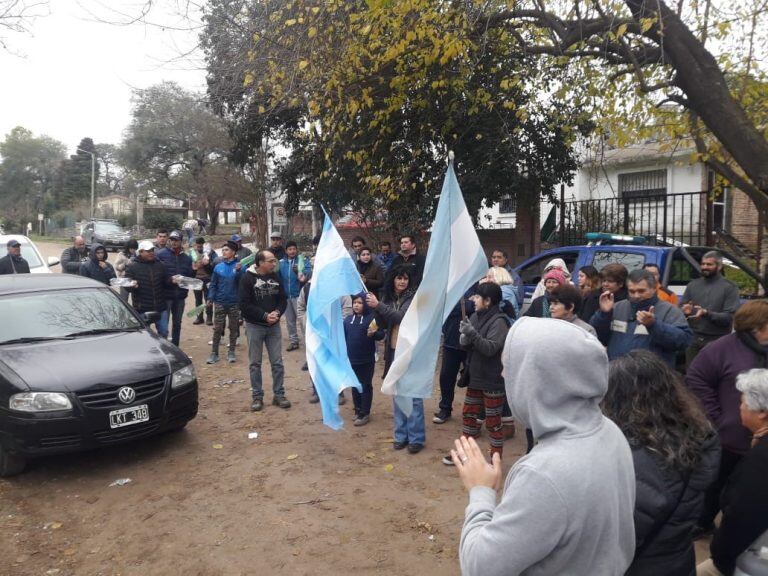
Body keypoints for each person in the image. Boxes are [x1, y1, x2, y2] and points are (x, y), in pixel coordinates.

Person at [452, 317, 636, 575]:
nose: (503, 374)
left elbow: (480, 567)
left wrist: (481, 492)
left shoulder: (544, 473)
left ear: (537, 377)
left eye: (509, 366)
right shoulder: (609, 431)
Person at [604, 350, 719, 576]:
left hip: (642, 567)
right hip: (678, 558)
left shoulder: (643, 459)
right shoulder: (698, 435)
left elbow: (626, 536)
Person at [685, 300, 768, 537]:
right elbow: (697, 379)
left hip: (763, 442)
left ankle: (741, 531)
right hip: (729, 439)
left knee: (752, 492)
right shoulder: (721, 349)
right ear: (757, 327)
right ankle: (703, 522)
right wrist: (718, 417)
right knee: (716, 486)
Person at [697, 369, 768, 576]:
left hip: (748, 562)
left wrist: (721, 557)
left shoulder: (762, 460)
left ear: (762, 412)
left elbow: (741, 515)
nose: (740, 408)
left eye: (742, 403)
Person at [443, 282, 510, 464]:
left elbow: (490, 349)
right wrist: (464, 337)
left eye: (477, 297)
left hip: (493, 380)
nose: (473, 299)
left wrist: (471, 334)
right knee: (468, 417)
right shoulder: (474, 316)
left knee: (493, 423)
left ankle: (494, 460)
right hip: (475, 377)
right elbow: (466, 345)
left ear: (488, 301)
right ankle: (464, 455)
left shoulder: (500, 321)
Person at [366, 267, 424, 453]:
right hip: (393, 351)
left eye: (405, 278)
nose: (402, 282)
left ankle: (416, 438)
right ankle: (401, 436)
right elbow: (384, 321)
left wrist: (379, 306)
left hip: (410, 351)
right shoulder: (388, 298)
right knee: (397, 393)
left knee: (413, 395)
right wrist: (375, 318)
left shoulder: (413, 298)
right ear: (393, 280)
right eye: (399, 278)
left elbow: (400, 317)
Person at [591, 268, 692, 366]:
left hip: (652, 378)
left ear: (653, 288)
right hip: (618, 374)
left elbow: (683, 341)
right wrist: (604, 315)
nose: (636, 296)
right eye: (632, 291)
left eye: (641, 291)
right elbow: (596, 337)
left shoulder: (669, 311)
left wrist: (654, 325)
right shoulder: (617, 307)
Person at [239, 250, 290, 412]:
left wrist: (277, 312)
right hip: (255, 326)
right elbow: (244, 305)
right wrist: (264, 316)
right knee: (255, 363)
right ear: (260, 263)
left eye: (274, 261)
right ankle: (257, 396)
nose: (274, 264)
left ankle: (279, 394)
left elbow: (283, 299)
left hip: (273, 326)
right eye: (271, 261)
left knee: (277, 362)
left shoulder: (275, 276)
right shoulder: (247, 278)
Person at [297, 277, 352, 404]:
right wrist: (308, 325)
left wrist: (336, 326)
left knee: (334, 362)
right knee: (315, 362)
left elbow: (347, 308)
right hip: (314, 334)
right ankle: (317, 391)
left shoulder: (339, 287)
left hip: (334, 334)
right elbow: (300, 308)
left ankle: (338, 392)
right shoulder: (307, 288)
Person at [681, 251, 741, 366]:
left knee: (713, 375)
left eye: (709, 264)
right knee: (692, 375)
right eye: (703, 264)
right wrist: (685, 311)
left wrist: (706, 313)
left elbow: (730, 316)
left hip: (717, 340)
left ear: (719, 266)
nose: (704, 267)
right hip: (693, 339)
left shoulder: (729, 287)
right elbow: (681, 308)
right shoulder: (693, 285)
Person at [433, 290, 475, 425]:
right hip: (451, 341)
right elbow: (446, 306)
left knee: (473, 378)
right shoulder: (451, 287)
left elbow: (472, 307)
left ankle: (475, 413)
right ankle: (445, 408)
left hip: (470, 343)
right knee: (446, 377)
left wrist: (466, 304)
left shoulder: (475, 283)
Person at [344, 294, 385, 426]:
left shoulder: (371, 318)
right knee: (355, 385)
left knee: (365, 385)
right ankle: (357, 410)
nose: (356, 305)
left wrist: (374, 333)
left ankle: (365, 412)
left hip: (367, 360)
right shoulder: (347, 320)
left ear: (366, 305)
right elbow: (344, 338)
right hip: (351, 360)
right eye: (354, 302)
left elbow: (381, 335)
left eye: (360, 303)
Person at [155, 230, 194, 347]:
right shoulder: (161, 254)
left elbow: (190, 277)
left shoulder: (187, 258)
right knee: (163, 325)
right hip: (165, 296)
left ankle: (175, 347)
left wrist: (195, 269)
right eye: (171, 240)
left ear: (181, 241)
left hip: (180, 296)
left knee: (177, 324)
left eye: (176, 240)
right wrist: (169, 280)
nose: (173, 242)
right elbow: (156, 274)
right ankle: (164, 347)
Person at [206, 241, 242, 364]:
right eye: (223, 250)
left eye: (226, 250)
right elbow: (213, 284)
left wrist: (239, 271)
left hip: (234, 303)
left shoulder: (240, 266)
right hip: (220, 302)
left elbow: (244, 283)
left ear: (233, 252)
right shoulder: (218, 267)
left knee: (233, 328)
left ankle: (231, 352)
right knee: (217, 328)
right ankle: (214, 353)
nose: (224, 252)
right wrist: (210, 298)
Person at [125, 241, 169, 338]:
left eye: (152, 250)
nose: (151, 253)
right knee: (144, 335)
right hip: (142, 308)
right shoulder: (132, 267)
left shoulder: (160, 265)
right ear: (140, 252)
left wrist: (172, 280)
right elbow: (126, 285)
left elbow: (166, 282)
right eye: (148, 251)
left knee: (164, 332)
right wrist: (132, 285)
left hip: (160, 307)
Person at [278, 240, 311, 352]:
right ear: (286, 251)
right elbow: (277, 277)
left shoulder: (302, 260)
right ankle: (294, 341)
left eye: (294, 249)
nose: (292, 251)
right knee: (290, 320)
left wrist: (300, 272)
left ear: (296, 250)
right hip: (287, 296)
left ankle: (309, 342)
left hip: (299, 296)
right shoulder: (281, 262)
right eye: (289, 249)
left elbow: (307, 273)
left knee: (302, 320)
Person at [191, 237, 214, 325]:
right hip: (196, 279)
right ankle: (199, 317)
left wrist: (208, 264)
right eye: (198, 247)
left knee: (208, 299)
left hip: (207, 279)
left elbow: (214, 264)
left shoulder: (210, 252)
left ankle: (209, 318)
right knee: (198, 300)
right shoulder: (193, 252)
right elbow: (193, 265)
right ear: (196, 245)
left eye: (201, 247)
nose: (199, 248)